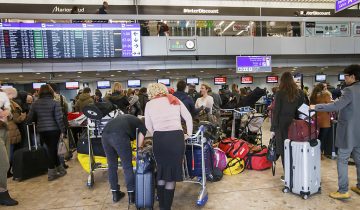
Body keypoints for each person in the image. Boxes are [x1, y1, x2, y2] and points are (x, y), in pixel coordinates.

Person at [310, 64, 360, 200]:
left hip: (348, 133)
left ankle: (343, 190)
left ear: (353, 76)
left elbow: (337, 105)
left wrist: (316, 106)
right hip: (358, 132)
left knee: (342, 160)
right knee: (359, 159)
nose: (345, 78)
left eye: (346, 76)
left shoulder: (349, 91)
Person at [145, 83, 193, 210]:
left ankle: (162, 206)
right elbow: (188, 117)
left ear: (151, 92)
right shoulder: (174, 99)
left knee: (161, 172)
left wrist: (157, 132)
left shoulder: (149, 104)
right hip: (176, 138)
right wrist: (189, 134)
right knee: (171, 176)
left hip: (159, 139)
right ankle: (166, 208)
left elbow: (148, 125)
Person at [101, 114, 147, 203]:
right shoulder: (142, 125)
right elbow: (139, 145)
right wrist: (137, 153)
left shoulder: (129, 119)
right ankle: (132, 195)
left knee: (112, 166)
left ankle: (115, 194)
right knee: (127, 166)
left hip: (105, 135)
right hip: (118, 135)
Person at [27, 85, 67, 181]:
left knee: (50, 150)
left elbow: (29, 119)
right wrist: (63, 130)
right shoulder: (55, 103)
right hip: (54, 130)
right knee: (52, 150)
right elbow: (59, 119)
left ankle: (61, 169)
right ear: (51, 92)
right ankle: (51, 173)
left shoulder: (35, 104)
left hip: (42, 130)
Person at [270, 72, 304, 181]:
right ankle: (297, 172)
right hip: (295, 124)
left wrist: (273, 128)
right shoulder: (300, 93)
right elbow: (302, 110)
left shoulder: (280, 93)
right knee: (295, 148)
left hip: (282, 125)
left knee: (284, 150)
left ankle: (288, 175)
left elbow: (276, 111)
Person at [0, 88, 18, 206]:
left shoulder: (2, 95)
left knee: (4, 163)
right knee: (4, 163)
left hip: (4, 129)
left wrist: (7, 111)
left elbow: (10, 114)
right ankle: (2, 192)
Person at [3, 88, 26, 178]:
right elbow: (16, 119)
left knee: (7, 152)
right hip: (11, 130)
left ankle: (7, 170)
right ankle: (8, 171)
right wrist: (23, 116)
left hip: (6, 130)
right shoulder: (10, 104)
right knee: (10, 152)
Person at [309, 83, 332, 158]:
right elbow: (330, 106)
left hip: (315, 119)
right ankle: (320, 154)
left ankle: (314, 153)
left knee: (316, 137)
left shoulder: (313, 96)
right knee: (323, 138)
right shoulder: (326, 95)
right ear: (323, 88)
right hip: (325, 119)